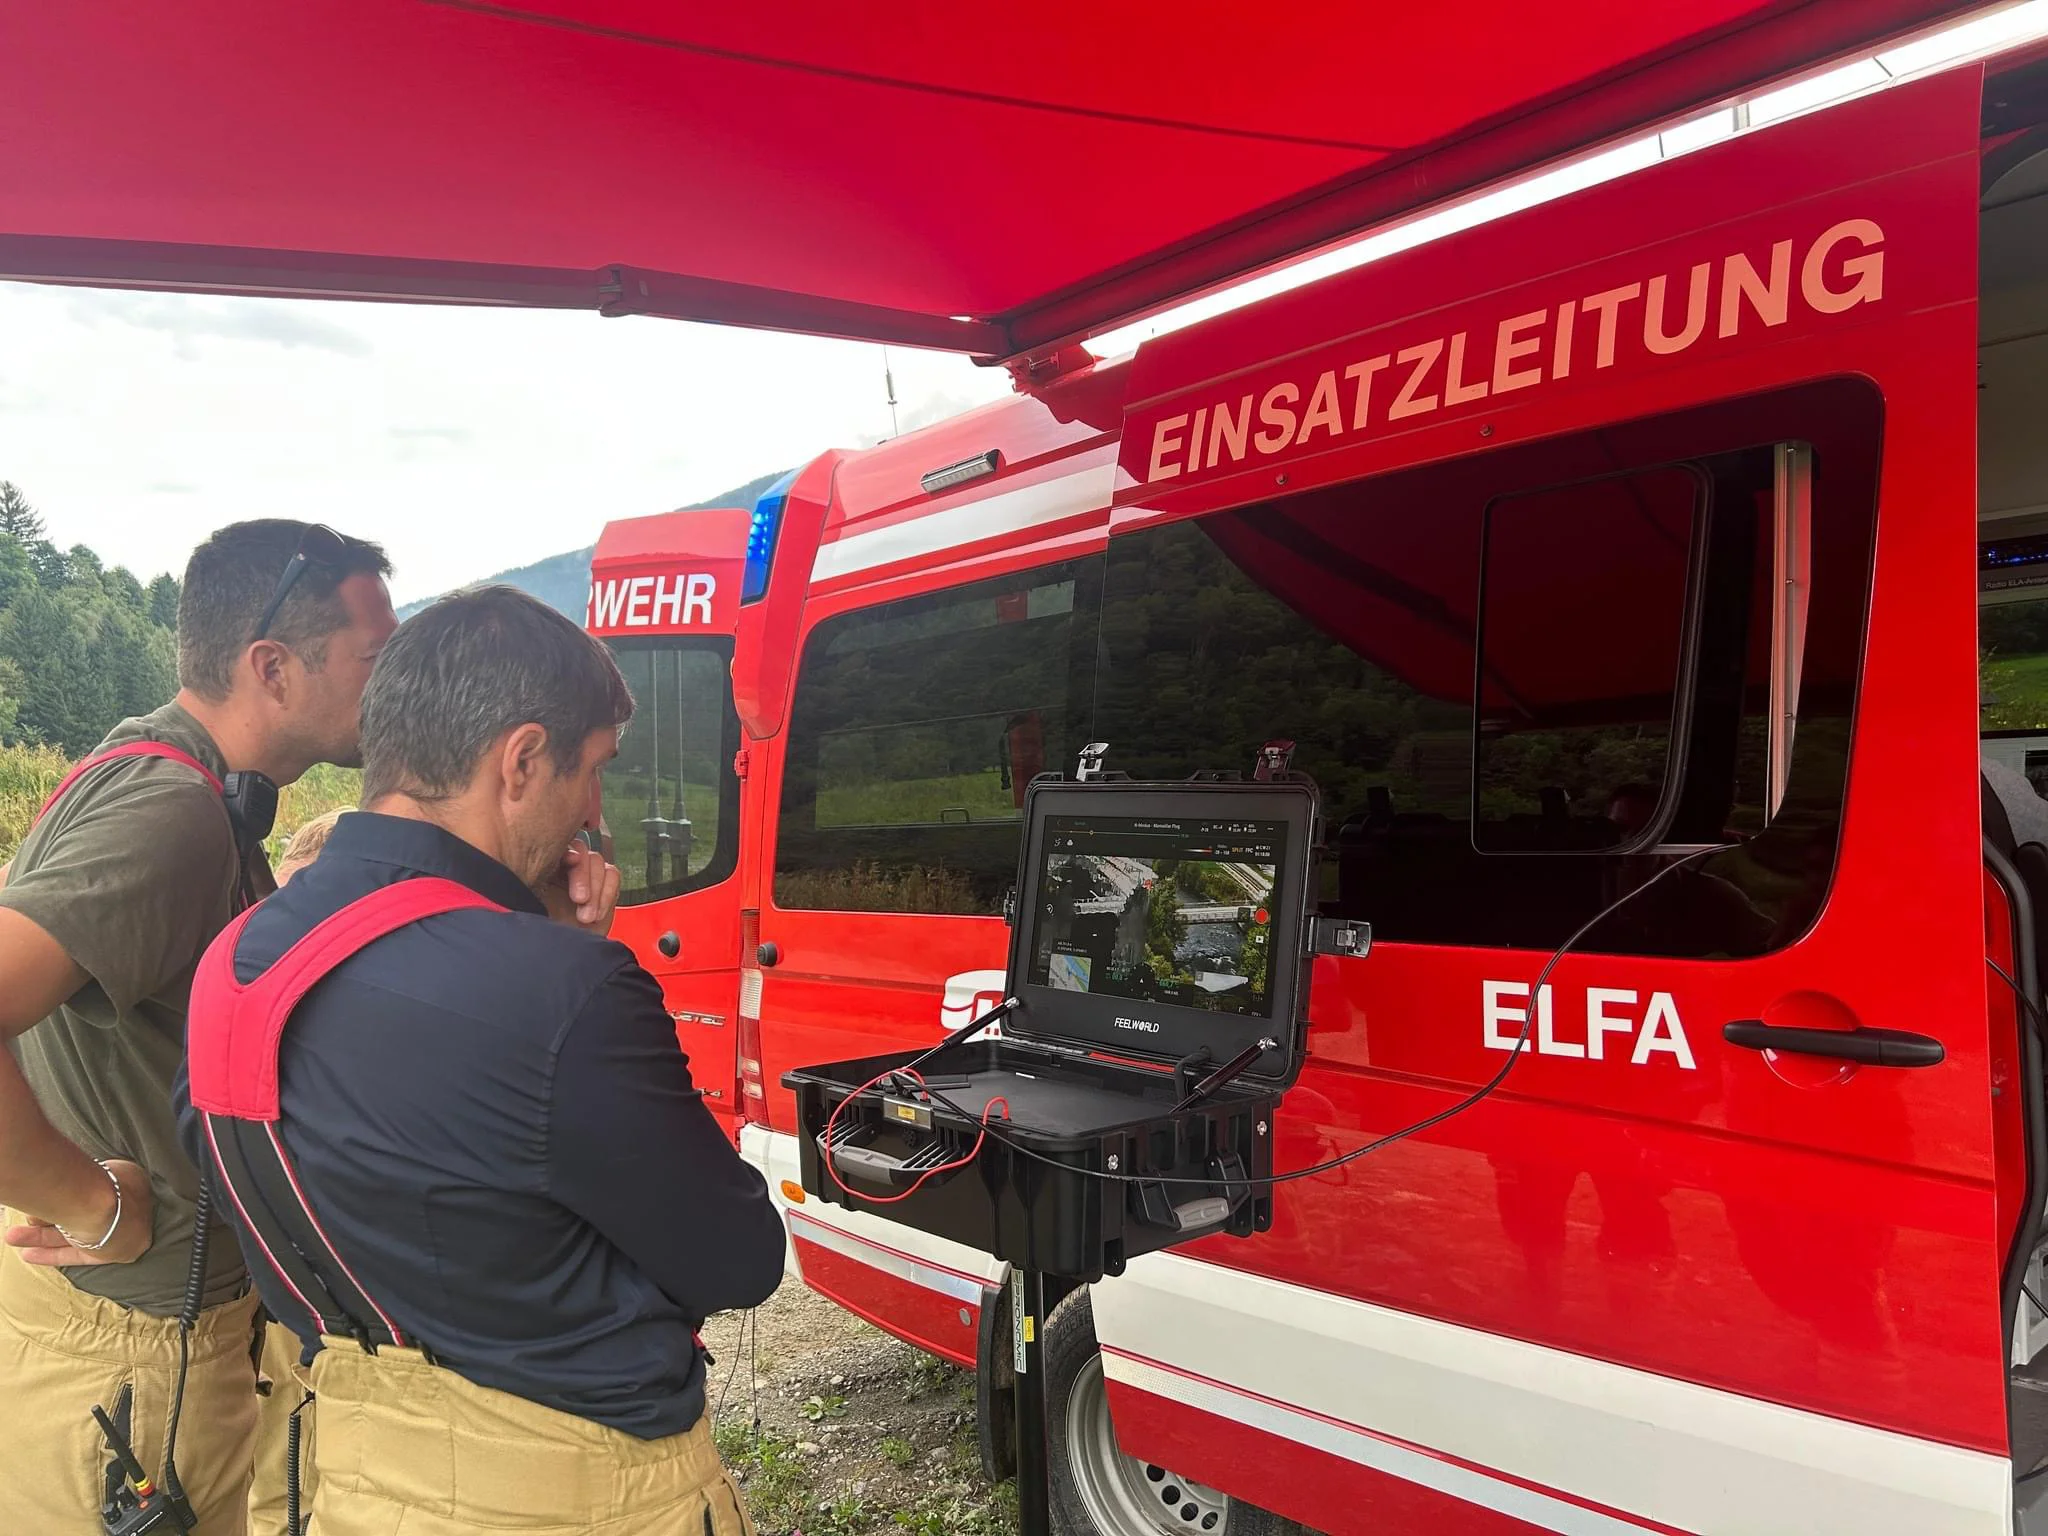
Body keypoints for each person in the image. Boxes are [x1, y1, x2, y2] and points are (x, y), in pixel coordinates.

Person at [179, 585, 783, 1536]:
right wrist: (575, 956)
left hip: (347, 1470)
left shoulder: (236, 964)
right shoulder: (564, 991)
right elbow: (737, 1257)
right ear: (522, 760)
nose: (592, 811)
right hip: (574, 1491)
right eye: (591, 770)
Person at [0, 520, 395, 1534]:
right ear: (273, 667)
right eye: (372, 659)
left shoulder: (161, 777)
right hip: (131, 1356)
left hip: (144, 1343)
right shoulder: (170, 811)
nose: (390, 689)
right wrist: (88, 1203)